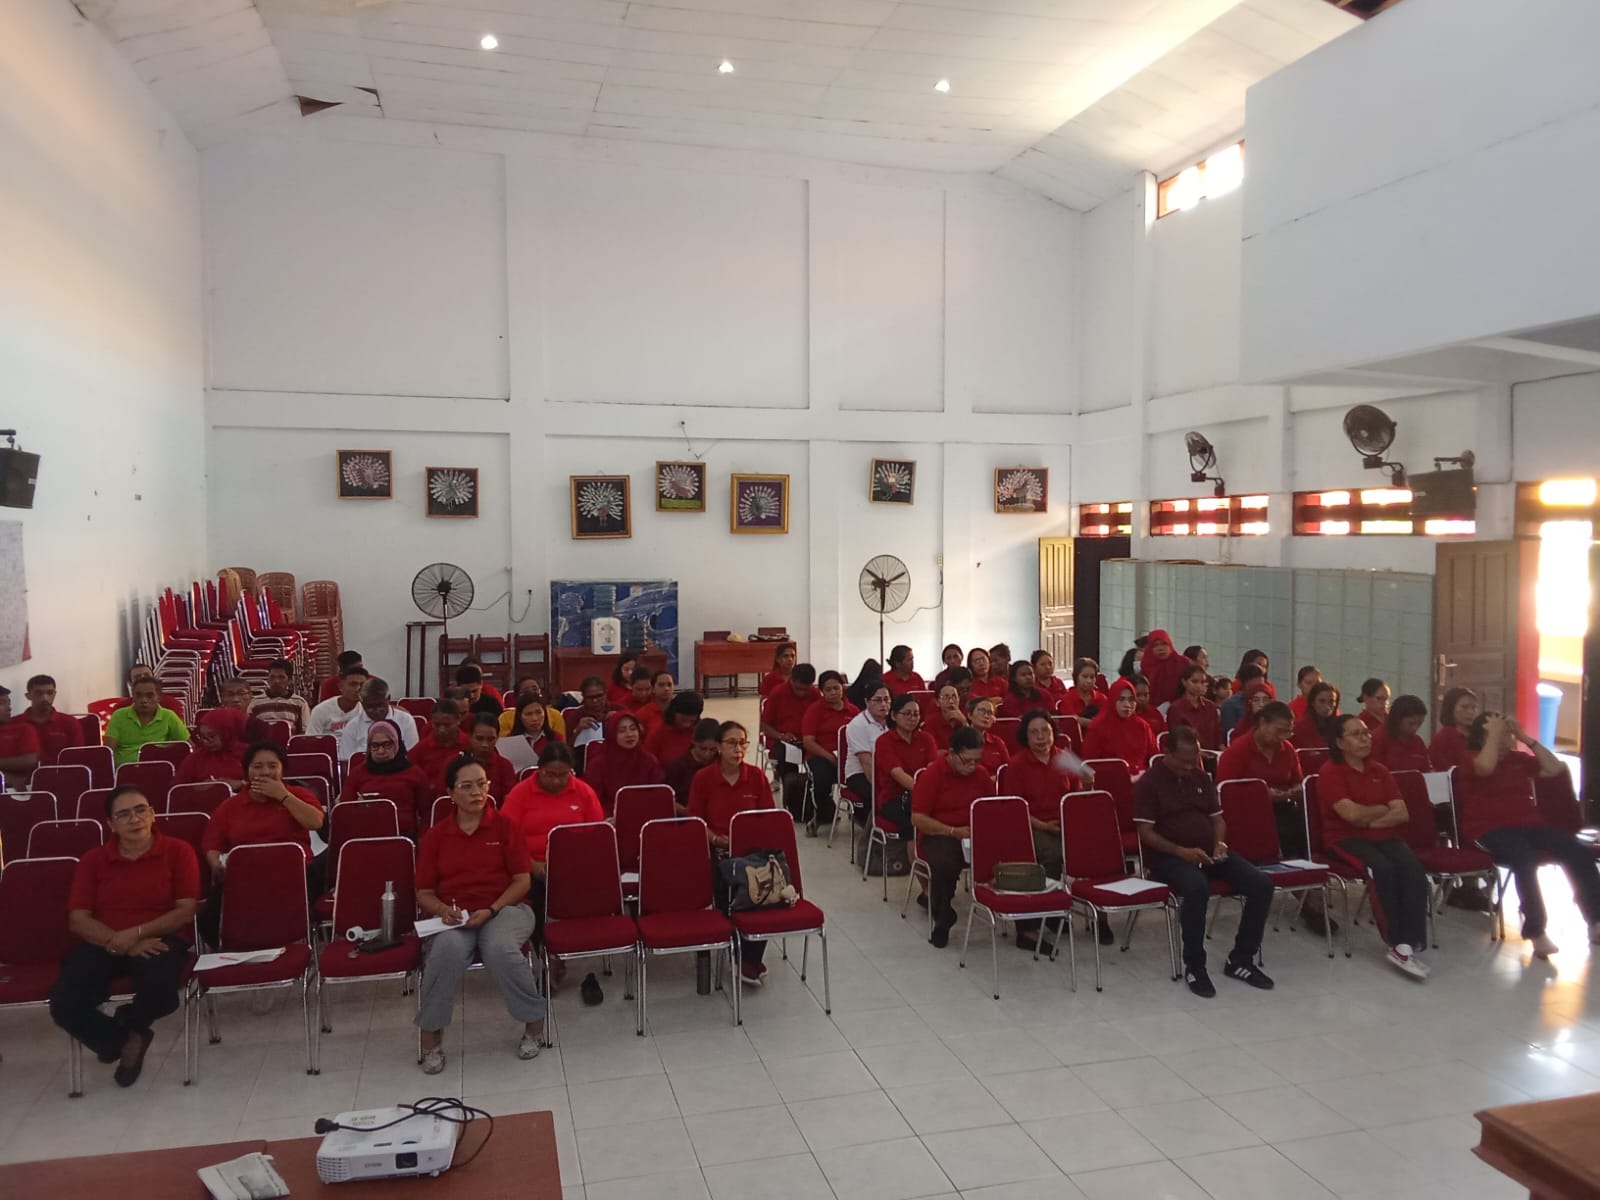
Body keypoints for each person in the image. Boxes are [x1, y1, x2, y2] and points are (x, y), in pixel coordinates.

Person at [50, 785, 200, 1088]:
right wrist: (120, 942)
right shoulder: (93, 860)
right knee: (65, 1002)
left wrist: (137, 934)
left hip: (161, 937)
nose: (135, 819)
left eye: (141, 810)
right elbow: (79, 919)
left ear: (153, 813)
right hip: (103, 940)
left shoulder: (178, 851)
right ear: (111, 824)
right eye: (124, 814)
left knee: (160, 991)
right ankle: (121, 1041)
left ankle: (129, 1022)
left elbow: (185, 911)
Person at [415, 755, 545, 1072]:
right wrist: (443, 910)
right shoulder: (436, 836)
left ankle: (534, 1025)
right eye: (467, 786)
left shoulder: (506, 827)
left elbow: (522, 881)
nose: (477, 792)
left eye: (482, 784)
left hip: (507, 908)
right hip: (456, 916)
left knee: (500, 948)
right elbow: (424, 892)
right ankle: (431, 1039)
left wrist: (491, 909)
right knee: (445, 952)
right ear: (450, 793)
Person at [1135, 726, 1275, 997]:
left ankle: (1241, 959)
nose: (1190, 766)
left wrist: (1220, 843)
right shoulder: (1149, 783)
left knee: (1261, 884)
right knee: (1196, 888)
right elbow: (1146, 833)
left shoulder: (1200, 776)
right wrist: (1180, 851)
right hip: (1169, 857)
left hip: (1209, 852)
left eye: (1194, 759)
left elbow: (1217, 820)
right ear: (1166, 753)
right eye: (1184, 761)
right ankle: (1195, 966)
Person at [1459, 712, 1600, 958]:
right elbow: (1485, 768)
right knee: (1524, 858)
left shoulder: (1519, 759)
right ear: (1483, 738)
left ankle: (1596, 921)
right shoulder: (1471, 757)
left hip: (1529, 825)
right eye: (1500, 733)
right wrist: (1493, 735)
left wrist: (1525, 738)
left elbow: (1555, 768)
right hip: (1488, 829)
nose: (1506, 738)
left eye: (1507, 734)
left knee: (1576, 849)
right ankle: (1536, 931)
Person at [1317, 715, 1431, 978]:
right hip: (1344, 838)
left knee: (1414, 869)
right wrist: (1381, 810)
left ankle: (1410, 942)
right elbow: (1350, 816)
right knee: (1381, 869)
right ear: (1339, 742)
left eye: (1366, 733)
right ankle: (1396, 942)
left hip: (1383, 835)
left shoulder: (1380, 770)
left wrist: (1368, 819)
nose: (1364, 739)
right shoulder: (1331, 772)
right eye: (1355, 734)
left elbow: (1401, 813)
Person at [500, 742, 605, 992]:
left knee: (567, 891)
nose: (557, 781)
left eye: (563, 775)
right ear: (539, 770)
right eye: (550, 774)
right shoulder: (521, 793)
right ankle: (548, 956)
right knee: (534, 894)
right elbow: (506, 839)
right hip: (529, 866)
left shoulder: (583, 792)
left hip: (573, 865)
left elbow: (597, 836)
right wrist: (532, 865)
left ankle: (556, 955)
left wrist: (570, 864)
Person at [688, 721, 774, 985]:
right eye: (731, 743)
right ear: (718, 746)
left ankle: (748, 957)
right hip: (717, 850)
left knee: (764, 886)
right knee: (730, 883)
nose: (738, 749)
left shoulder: (756, 776)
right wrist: (716, 839)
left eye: (743, 743)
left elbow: (769, 818)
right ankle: (740, 951)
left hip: (751, 850)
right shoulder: (704, 778)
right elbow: (695, 822)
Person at [911, 728, 994, 949]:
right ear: (951, 753)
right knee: (944, 861)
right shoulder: (933, 775)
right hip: (940, 832)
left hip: (974, 832)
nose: (972, 766)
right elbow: (918, 818)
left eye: (977, 761)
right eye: (966, 761)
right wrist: (952, 831)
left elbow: (992, 809)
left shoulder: (981, 775)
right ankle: (943, 917)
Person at [202, 743, 326, 884]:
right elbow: (212, 844)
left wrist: (283, 796)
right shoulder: (229, 806)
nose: (265, 772)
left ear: (282, 769)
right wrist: (216, 864)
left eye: (273, 766)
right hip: (248, 875)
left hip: (296, 872)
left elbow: (316, 823)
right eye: (257, 767)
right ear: (247, 771)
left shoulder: (299, 794)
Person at [1006, 710, 1090, 893]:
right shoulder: (1017, 765)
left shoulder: (1065, 758)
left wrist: (1088, 785)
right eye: (1034, 732)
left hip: (1065, 823)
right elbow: (1016, 810)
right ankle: (1050, 901)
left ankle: (1090, 901)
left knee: (1093, 845)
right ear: (1025, 737)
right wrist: (1044, 826)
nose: (1040, 737)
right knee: (1054, 853)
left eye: (1045, 730)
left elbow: (1077, 800)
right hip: (1034, 826)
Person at [340, 719, 433, 835]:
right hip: (365, 835)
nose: (381, 751)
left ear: (397, 743)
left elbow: (427, 812)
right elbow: (344, 810)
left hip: (404, 836)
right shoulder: (357, 774)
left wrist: (422, 838)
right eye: (375, 745)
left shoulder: (415, 773)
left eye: (387, 745)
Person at [875, 693, 938, 845]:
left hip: (924, 794)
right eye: (907, 714)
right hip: (895, 797)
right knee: (913, 823)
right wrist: (923, 793)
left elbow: (933, 770)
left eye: (916, 714)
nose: (912, 718)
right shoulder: (884, 741)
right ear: (894, 716)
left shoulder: (926, 739)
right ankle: (914, 858)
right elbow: (898, 774)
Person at [800, 671, 858, 832]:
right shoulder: (814, 710)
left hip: (848, 757)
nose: (833, 692)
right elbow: (808, 742)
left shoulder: (853, 710)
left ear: (842, 688)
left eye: (836, 688)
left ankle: (861, 813)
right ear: (821, 691)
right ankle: (821, 815)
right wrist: (831, 757)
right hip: (820, 755)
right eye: (828, 689)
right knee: (822, 779)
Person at [761, 663, 821, 814]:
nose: (801, 693)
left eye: (805, 690)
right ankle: (792, 802)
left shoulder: (814, 694)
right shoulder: (778, 693)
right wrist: (781, 736)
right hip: (784, 741)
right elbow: (765, 726)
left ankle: (818, 802)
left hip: (809, 740)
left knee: (821, 763)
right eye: (798, 689)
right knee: (784, 759)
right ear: (791, 681)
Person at [583, 712, 664, 815]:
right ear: (612, 734)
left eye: (633, 729)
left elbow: (658, 795)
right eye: (622, 731)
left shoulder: (649, 760)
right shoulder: (598, 764)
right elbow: (593, 801)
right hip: (610, 817)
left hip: (645, 814)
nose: (629, 734)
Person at [104, 678, 188, 767]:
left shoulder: (169, 716)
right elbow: (108, 751)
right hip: (125, 769)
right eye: (138, 695)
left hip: (157, 768)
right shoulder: (119, 715)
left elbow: (187, 745)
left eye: (149, 695)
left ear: (159, 697)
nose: (144, 700)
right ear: (133, 697)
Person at [1082, 678, 1158, 774]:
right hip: (1110, 778)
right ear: (1112, 700)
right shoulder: (1098, 727)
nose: (1127, 705)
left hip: (1142, 778)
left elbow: (1154, 757)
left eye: (1131, 700)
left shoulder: (1143, 726)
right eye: (1121, 699)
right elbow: (1089, 764)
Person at [337, 677, 420, 763]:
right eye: (370, 707)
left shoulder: (406, 720)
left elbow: (412, 757)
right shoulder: (352, 726)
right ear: (362, 703)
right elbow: (346, 762)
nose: (376, 710)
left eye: (380, 705)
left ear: (388, 699)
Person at [842, 684, 891, 821]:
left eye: (886, 699)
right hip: (860, 773)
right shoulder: (858, 725)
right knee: (878, 794)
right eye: (877, 700)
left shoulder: (893, 721)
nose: (883, 704)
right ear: (866, 701)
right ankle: (873, 827)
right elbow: (867, 765)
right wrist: (886, 786)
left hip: (889, 771)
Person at [174, 707, 249, 789]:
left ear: (227, 732)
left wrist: (240, 784)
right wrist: (199, 787)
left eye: (212, 736)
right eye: (203, 737)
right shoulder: (195, 758)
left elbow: (259, 784)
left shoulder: (250, 755)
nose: (206, 741)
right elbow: (177, 789)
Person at [22, 674, 83, 768]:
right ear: (28, 696)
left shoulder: (70, 722)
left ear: (55, 694)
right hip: (23, 776)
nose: (45, 698)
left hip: (61, 774)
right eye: (39, 693)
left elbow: (77, 757)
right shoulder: (14, 723)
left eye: (50, 693)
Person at [666, 718, 723, 814]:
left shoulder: (722, 763)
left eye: (713, 749)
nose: (707, 754)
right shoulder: (678, 766)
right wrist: (685, 811)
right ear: (693, 741)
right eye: (703, 748)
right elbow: (667, 799)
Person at [499, 693, 561, 776]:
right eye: (528, 714)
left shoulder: (556, 738)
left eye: (538, 712)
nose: (535, 718)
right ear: (520, 716)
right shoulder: (510, 741)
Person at [464, 714, 518, 803]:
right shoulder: (456, 762)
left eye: (490, 739)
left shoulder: (505, 766)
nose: (484, 744)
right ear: (470, 737)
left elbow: (508, 801)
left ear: (497, 738)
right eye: (479, 739)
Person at [1166, 664, 1222, 750]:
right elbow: (1176, 740)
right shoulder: (1176, 708)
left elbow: (1218, 737)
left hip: (1212, 754)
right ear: (1184, 682)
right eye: (1194, 681)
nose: (1199, 686)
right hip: (1187, 754)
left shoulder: (1211, 707)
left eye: (1202, 682)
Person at [249, 659, 311, 735]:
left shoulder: (299, 703)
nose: (276, 681)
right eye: (272, 677)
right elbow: (249, 730)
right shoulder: (255, 703)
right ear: (268, 679)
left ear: (290, 680)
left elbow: (305, 732)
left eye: (281, 677)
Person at [307, 665, 368, 740]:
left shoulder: (366, 711)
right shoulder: (321, 711)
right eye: (353, 684)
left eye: (362, 685)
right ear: (340, 686)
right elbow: (311, 740)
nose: (358, 688)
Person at [1373, 694, 1432, 773]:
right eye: (1411, 723)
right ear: (1397, 719)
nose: (1415, 728)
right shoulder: (1378, 738)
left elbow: (1426, 770)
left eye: (1419, 724)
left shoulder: (1417, 742)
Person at [0, 683, 43, 783]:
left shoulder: (23, 729)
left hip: (21, 787)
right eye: (2, 703)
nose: (9, 708)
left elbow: (30, 761)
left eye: (9, 703)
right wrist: (6, 777)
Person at [1430, 687, 1479, 772]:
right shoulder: (1444, 737)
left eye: (1474, 708)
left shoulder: (1478, 735)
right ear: (1451, 708)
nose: (1471, 712)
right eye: (1464, 707)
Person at [646, 691, 702, 765]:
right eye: (683, 720)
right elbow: (648, 763)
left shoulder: (700, 732)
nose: (687, 725)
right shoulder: (658, 733)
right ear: (673, 713)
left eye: (692, 721)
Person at [1139, 630, 1190, 706]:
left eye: (1164, 644)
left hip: (1181, 707)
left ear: (1170, 645)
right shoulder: (1147, 666)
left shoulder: (1183, 663)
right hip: (1153, 708)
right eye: (1155, 645)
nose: (1160, 648)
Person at [217, 677, 274, 745]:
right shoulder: (215, 726)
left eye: (241, 693)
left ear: (250, 696)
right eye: (230, 694)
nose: (236, 699)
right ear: (222, 698)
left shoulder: (260, 727)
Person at [966, 695, 1009, 773]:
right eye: (982, 711)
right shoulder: (959, 740)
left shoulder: (997, 742)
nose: (986, 716)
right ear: (970, 715)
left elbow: (1007, 770)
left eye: (990, 713)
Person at [1293, 682, 1341, 749]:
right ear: (1313, 702)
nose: (1327, 706)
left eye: (1331, 701)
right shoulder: (1300, 729)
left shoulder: (1341, 727)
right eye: (1322, 701)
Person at [1058, 658, 1105, 724]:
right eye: (1085, 677)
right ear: (1076, 677)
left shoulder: (1102, 698)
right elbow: (1072, 721)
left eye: (1092, 677)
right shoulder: (1067, 699)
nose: (1089, 681)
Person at [922, 682, 968, 749]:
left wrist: (964, 723)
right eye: (946, 697)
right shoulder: (930, 722)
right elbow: (933, 750)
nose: (951, 701)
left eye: (954, 697)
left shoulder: (966, 717)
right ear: (937, 702)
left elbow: (973, 746)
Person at [1220, 664, 1264, 733]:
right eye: (1255, 687)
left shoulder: (1267, 703)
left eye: (1262, 686)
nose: (1258, 690)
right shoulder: (1230, 705)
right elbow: (1230, 734)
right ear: (1244, 685)